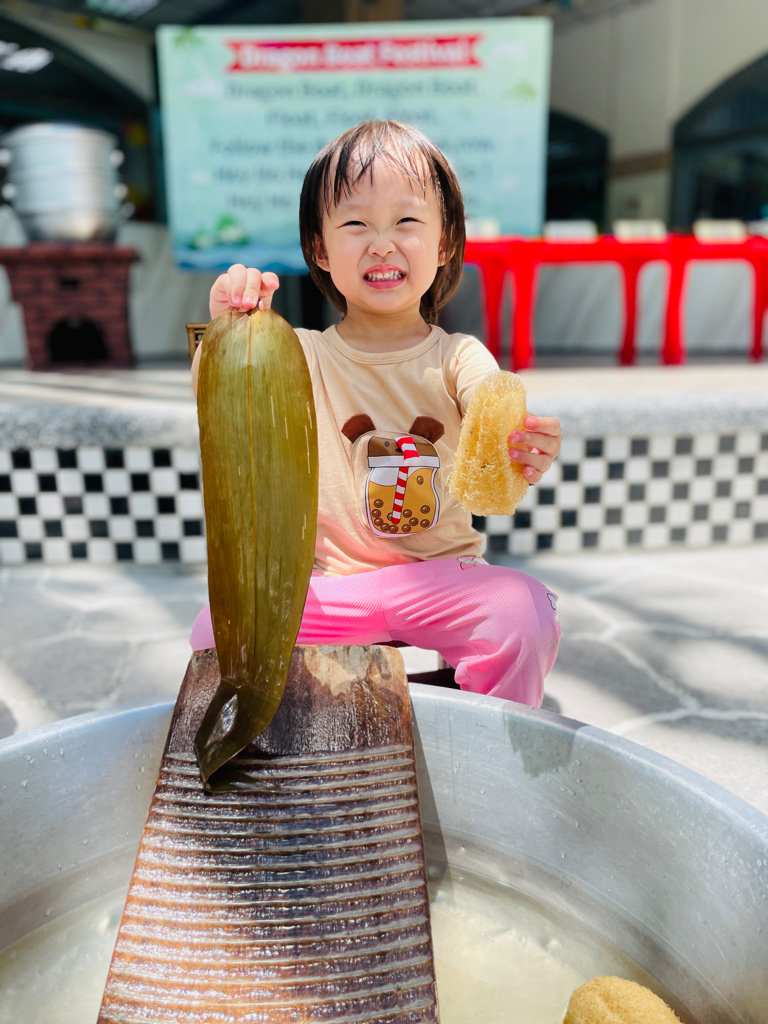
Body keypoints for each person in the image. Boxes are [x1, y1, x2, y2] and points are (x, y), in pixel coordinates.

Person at [190, 119, 561, 707]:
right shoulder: (298, 353)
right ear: (320, 248)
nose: (382, 244)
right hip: (332, 583)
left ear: (444, 243)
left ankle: (489, 731)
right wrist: (228, 328)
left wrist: (521, 445)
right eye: (356, 224)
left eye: (407, 221)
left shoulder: (458, 356)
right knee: (215, 633)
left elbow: (492, 407)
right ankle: (308, 723)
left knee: (523, 613)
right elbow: (220, 397)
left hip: (444, 576)